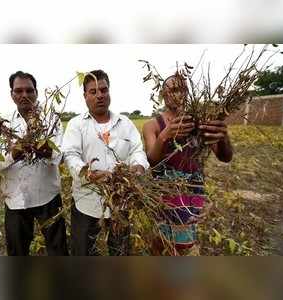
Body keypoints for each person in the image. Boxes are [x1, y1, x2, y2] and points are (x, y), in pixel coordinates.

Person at [142, 74, 233, 255]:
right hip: (164, 193)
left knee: (185, 244)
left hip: (193, 191)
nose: (179, 94)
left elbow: (225, 157)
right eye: (173, 90)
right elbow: (151, 161)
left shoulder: (199, 123)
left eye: (183, 89)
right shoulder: (153, 125)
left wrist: (223, 136)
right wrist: (165, 136)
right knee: (160, 242)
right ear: (163, 94)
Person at [62, 69, 149, 256]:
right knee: (83, 252)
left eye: (104, 90)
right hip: (86, 201)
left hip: (120, 201)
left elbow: (137, 151)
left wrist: (138, 166)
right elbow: (70, 155)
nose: (99, 95)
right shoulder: (76, 125)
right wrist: (88, 173)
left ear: (109, 92)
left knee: (120, 251)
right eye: (93, 91)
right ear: (85, 96)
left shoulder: (125, 123)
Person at [0, 71, 68, 256]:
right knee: (17, 250)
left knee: (57, 248)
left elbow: (60, 154)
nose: (24, 95)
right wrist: (15, 153)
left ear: (36, 92)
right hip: (15, 198)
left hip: (48, 195)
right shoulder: (1, 124)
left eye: (29, 90)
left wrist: (45, 151)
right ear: (11, 94)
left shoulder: (51, 119)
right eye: (18, 91)